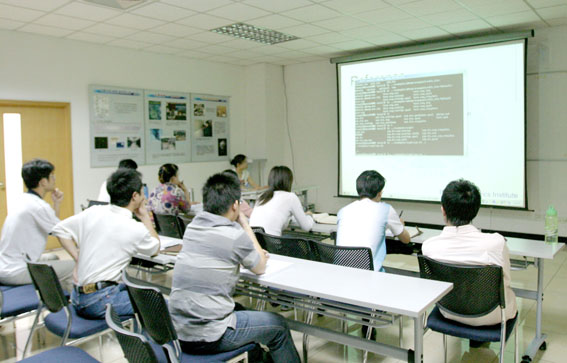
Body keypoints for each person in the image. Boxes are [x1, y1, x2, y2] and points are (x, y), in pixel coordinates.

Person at [168, 172, 300, 362]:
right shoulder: (234, 235)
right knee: (278, 325)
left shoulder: (193, 228)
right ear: (235, 205)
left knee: (243, 309)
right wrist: (245, 224)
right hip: (211, 335)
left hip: (179, 329)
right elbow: (260, 266)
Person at [51, 168, 160, 319]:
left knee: (136, 288)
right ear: (134, 196)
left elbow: (59, 229)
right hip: (98, 301)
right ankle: (142, 342)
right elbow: (155, 248)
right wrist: (145, 217)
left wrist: (78, 257)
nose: (144, 198)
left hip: (77, 296)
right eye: (142, 193)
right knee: (158, 304)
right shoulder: (134, 227)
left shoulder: (93, 211)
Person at [422, 179, 517, 327]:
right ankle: (479, 340)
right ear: (476, 210)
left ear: (443, 210)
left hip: (448, 311)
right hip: (492, 315)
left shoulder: (429, 246)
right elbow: (506, 281)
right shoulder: (496, 243)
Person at [0, 159, 74, 289]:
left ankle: (54, 296)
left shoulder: (25, 200)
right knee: (72, 266)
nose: (54, 178)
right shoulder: (39, 206)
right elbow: (62, 233)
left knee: (53, 257)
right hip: (16, 271)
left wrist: (56, 203)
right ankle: (66, 305)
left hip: (5, 266)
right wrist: (78, 257)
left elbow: (52, 226)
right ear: (43, 182)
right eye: (52, 176)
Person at [336, 170, 411, 272]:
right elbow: (406, 239)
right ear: (380, 193)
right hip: (369, 277)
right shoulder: (385, 209)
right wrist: (401, 226)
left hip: (341, 273)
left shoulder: (343, 211)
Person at [249, 166, 313, 236]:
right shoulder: (290, 197)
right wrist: (310, 216)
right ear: (289, 181)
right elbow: (307, 227)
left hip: (253, 243)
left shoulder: (262, 196)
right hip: (272, 244)